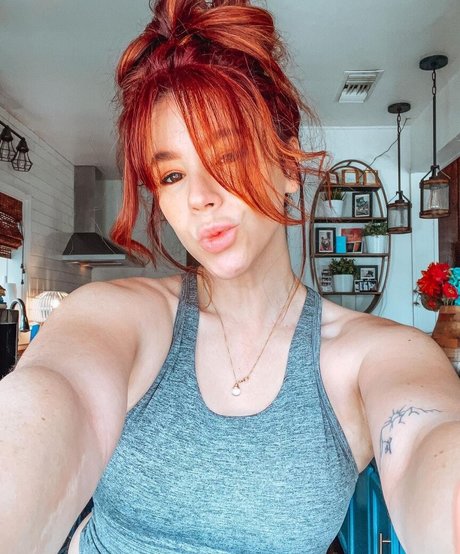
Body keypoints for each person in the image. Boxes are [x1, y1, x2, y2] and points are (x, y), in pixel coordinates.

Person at [1, 1, 460, 553]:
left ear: (288, 168)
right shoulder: (115, 316)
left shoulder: (376, 356)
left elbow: (432, 443)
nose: (200, 197)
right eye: (173, 175)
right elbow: (45, 405)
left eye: (228, 156)